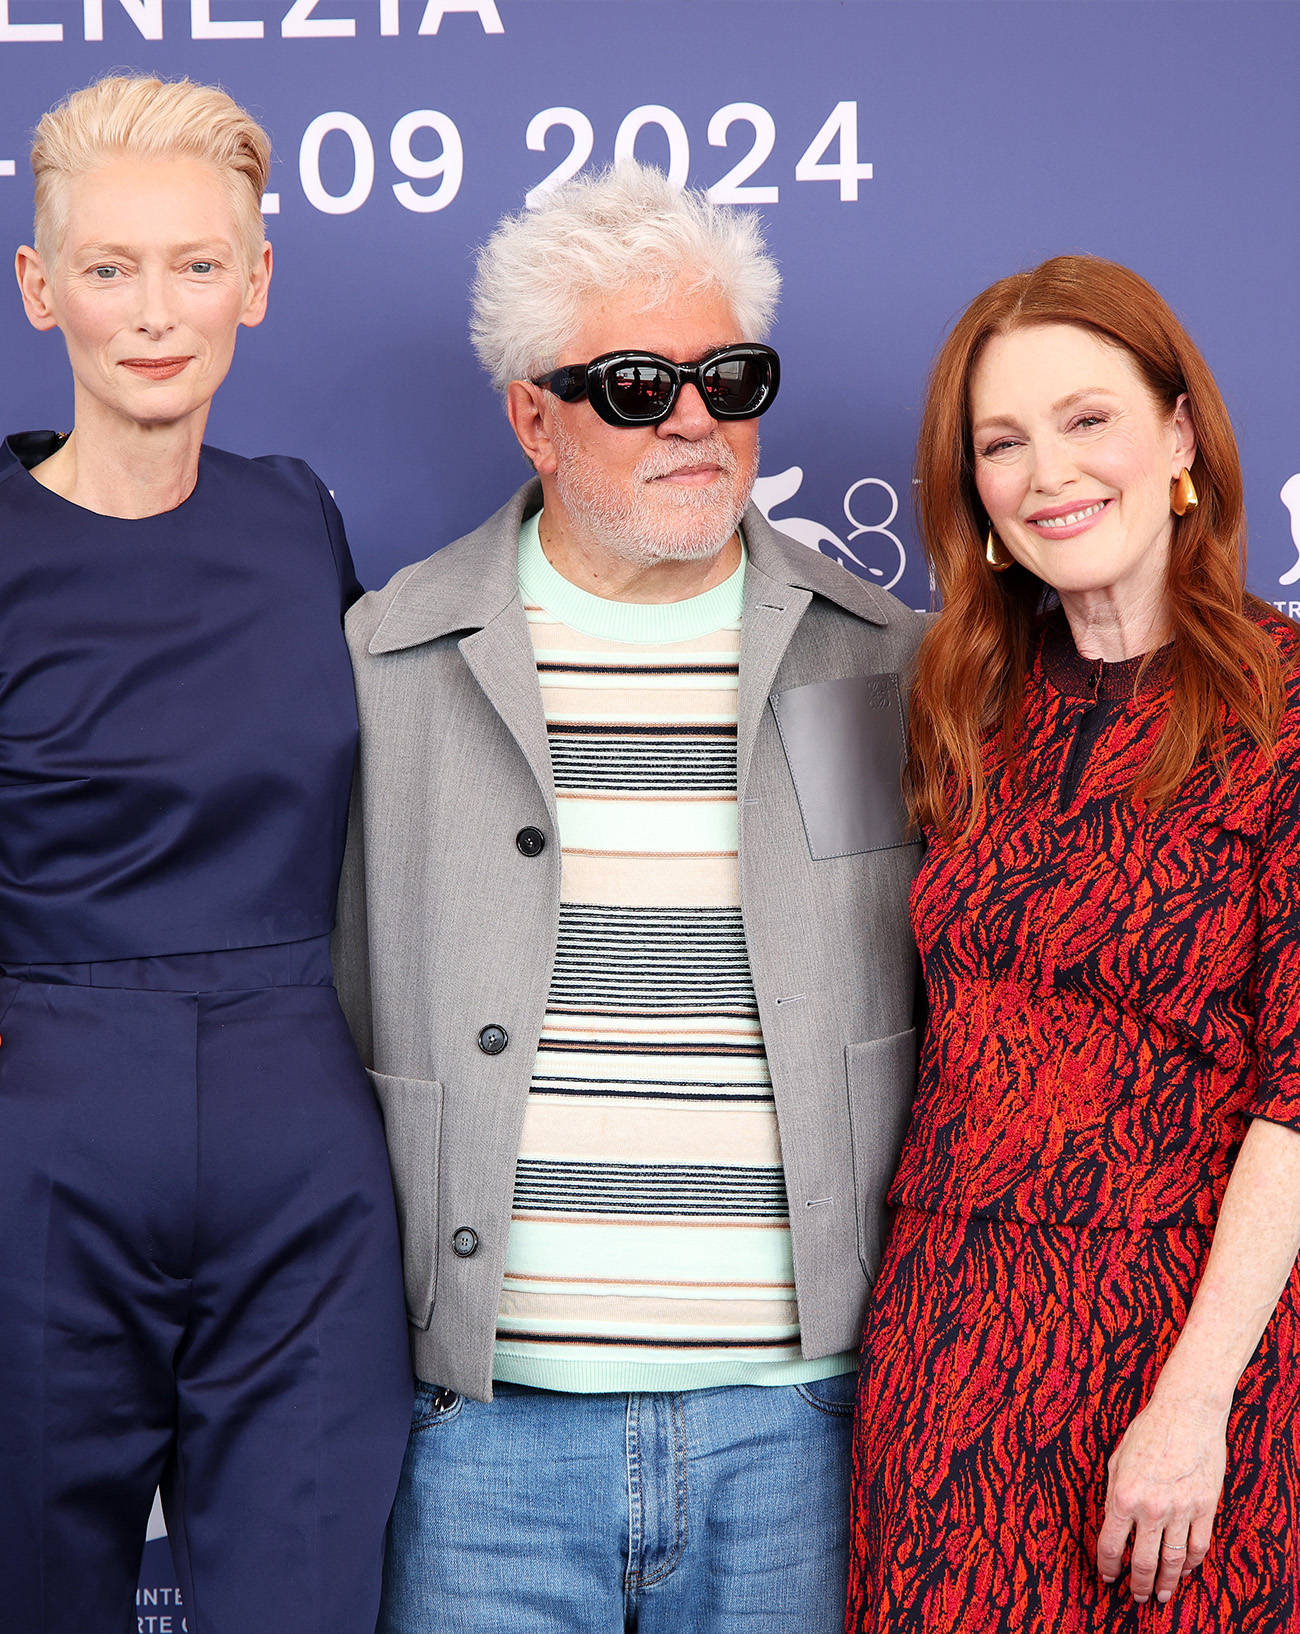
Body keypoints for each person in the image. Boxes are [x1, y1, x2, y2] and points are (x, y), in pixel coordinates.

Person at [333, 161, 926, 1634]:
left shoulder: (889, 662)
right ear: (532, 413)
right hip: (484, 1434)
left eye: (728, 375)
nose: (693, 418)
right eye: (634, 382)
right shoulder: (382, 660)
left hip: (802, 1432)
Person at [0, 75, 411, 1634]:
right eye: (109, 269)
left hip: (300, 1156)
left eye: (194, 264)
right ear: (42, 291)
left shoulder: (295, 517)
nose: (154, 313)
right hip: (41, 1150)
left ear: (257, 277)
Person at [846, 255, 1300, 1633]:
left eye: (1087, 418)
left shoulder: (1286, 713)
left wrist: (1192, 1399)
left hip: (1188, 1346)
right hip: (946, 1347)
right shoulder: (962, 707)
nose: (1049, 469)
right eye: (1003, 441)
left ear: (1176, 436)